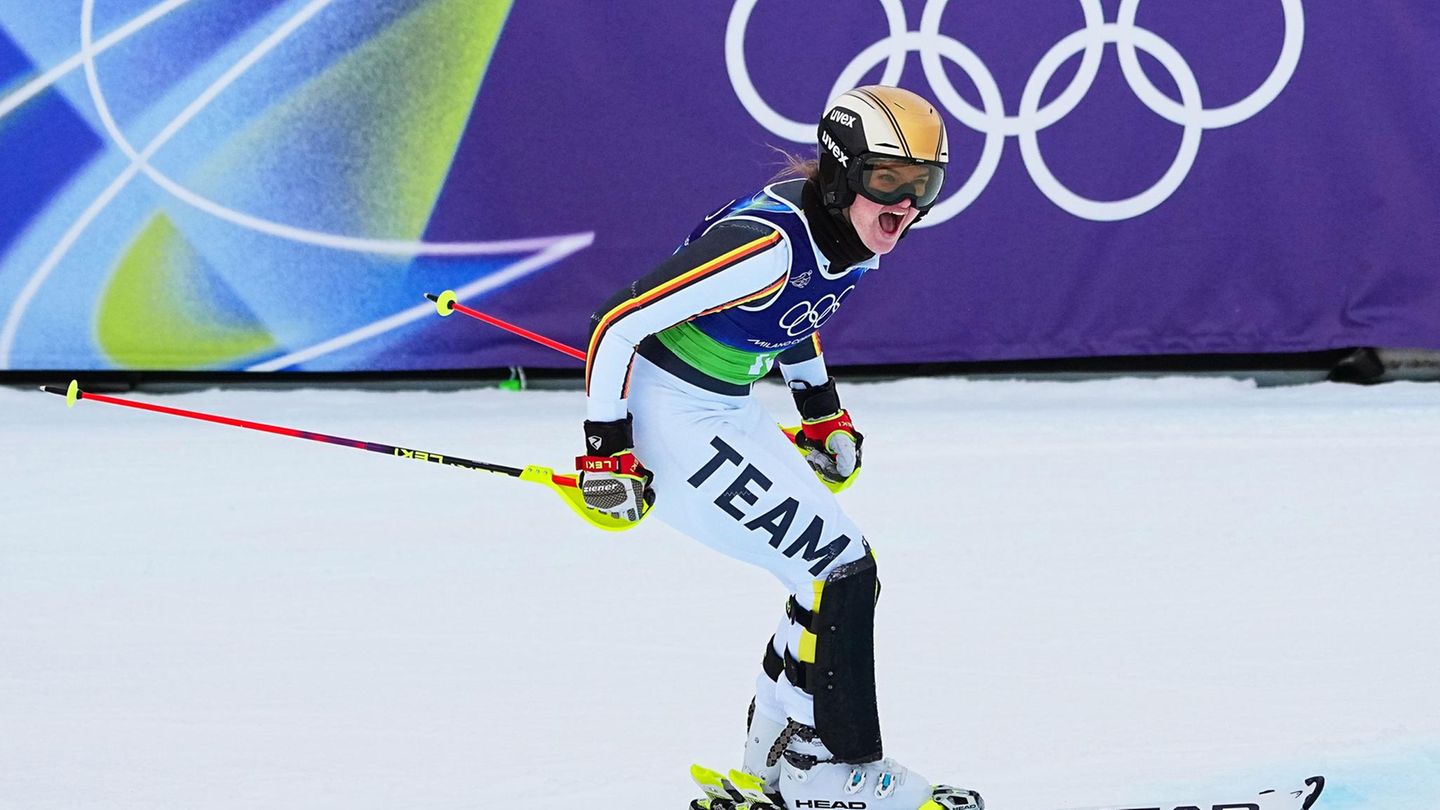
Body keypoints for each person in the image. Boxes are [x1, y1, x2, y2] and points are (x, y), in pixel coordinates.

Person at [575, 85, 981, 810]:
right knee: (842, 570)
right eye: (888, 181)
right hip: (673, 415)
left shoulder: (851, 229)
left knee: (824, 572)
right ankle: (832, 772)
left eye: (924, 187)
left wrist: (821, 412)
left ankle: (774, 766)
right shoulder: (764, 246)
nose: (905, 207)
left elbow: (799, 311)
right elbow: (616, 324)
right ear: (841, 169)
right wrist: (606, 455)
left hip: (723, 403)